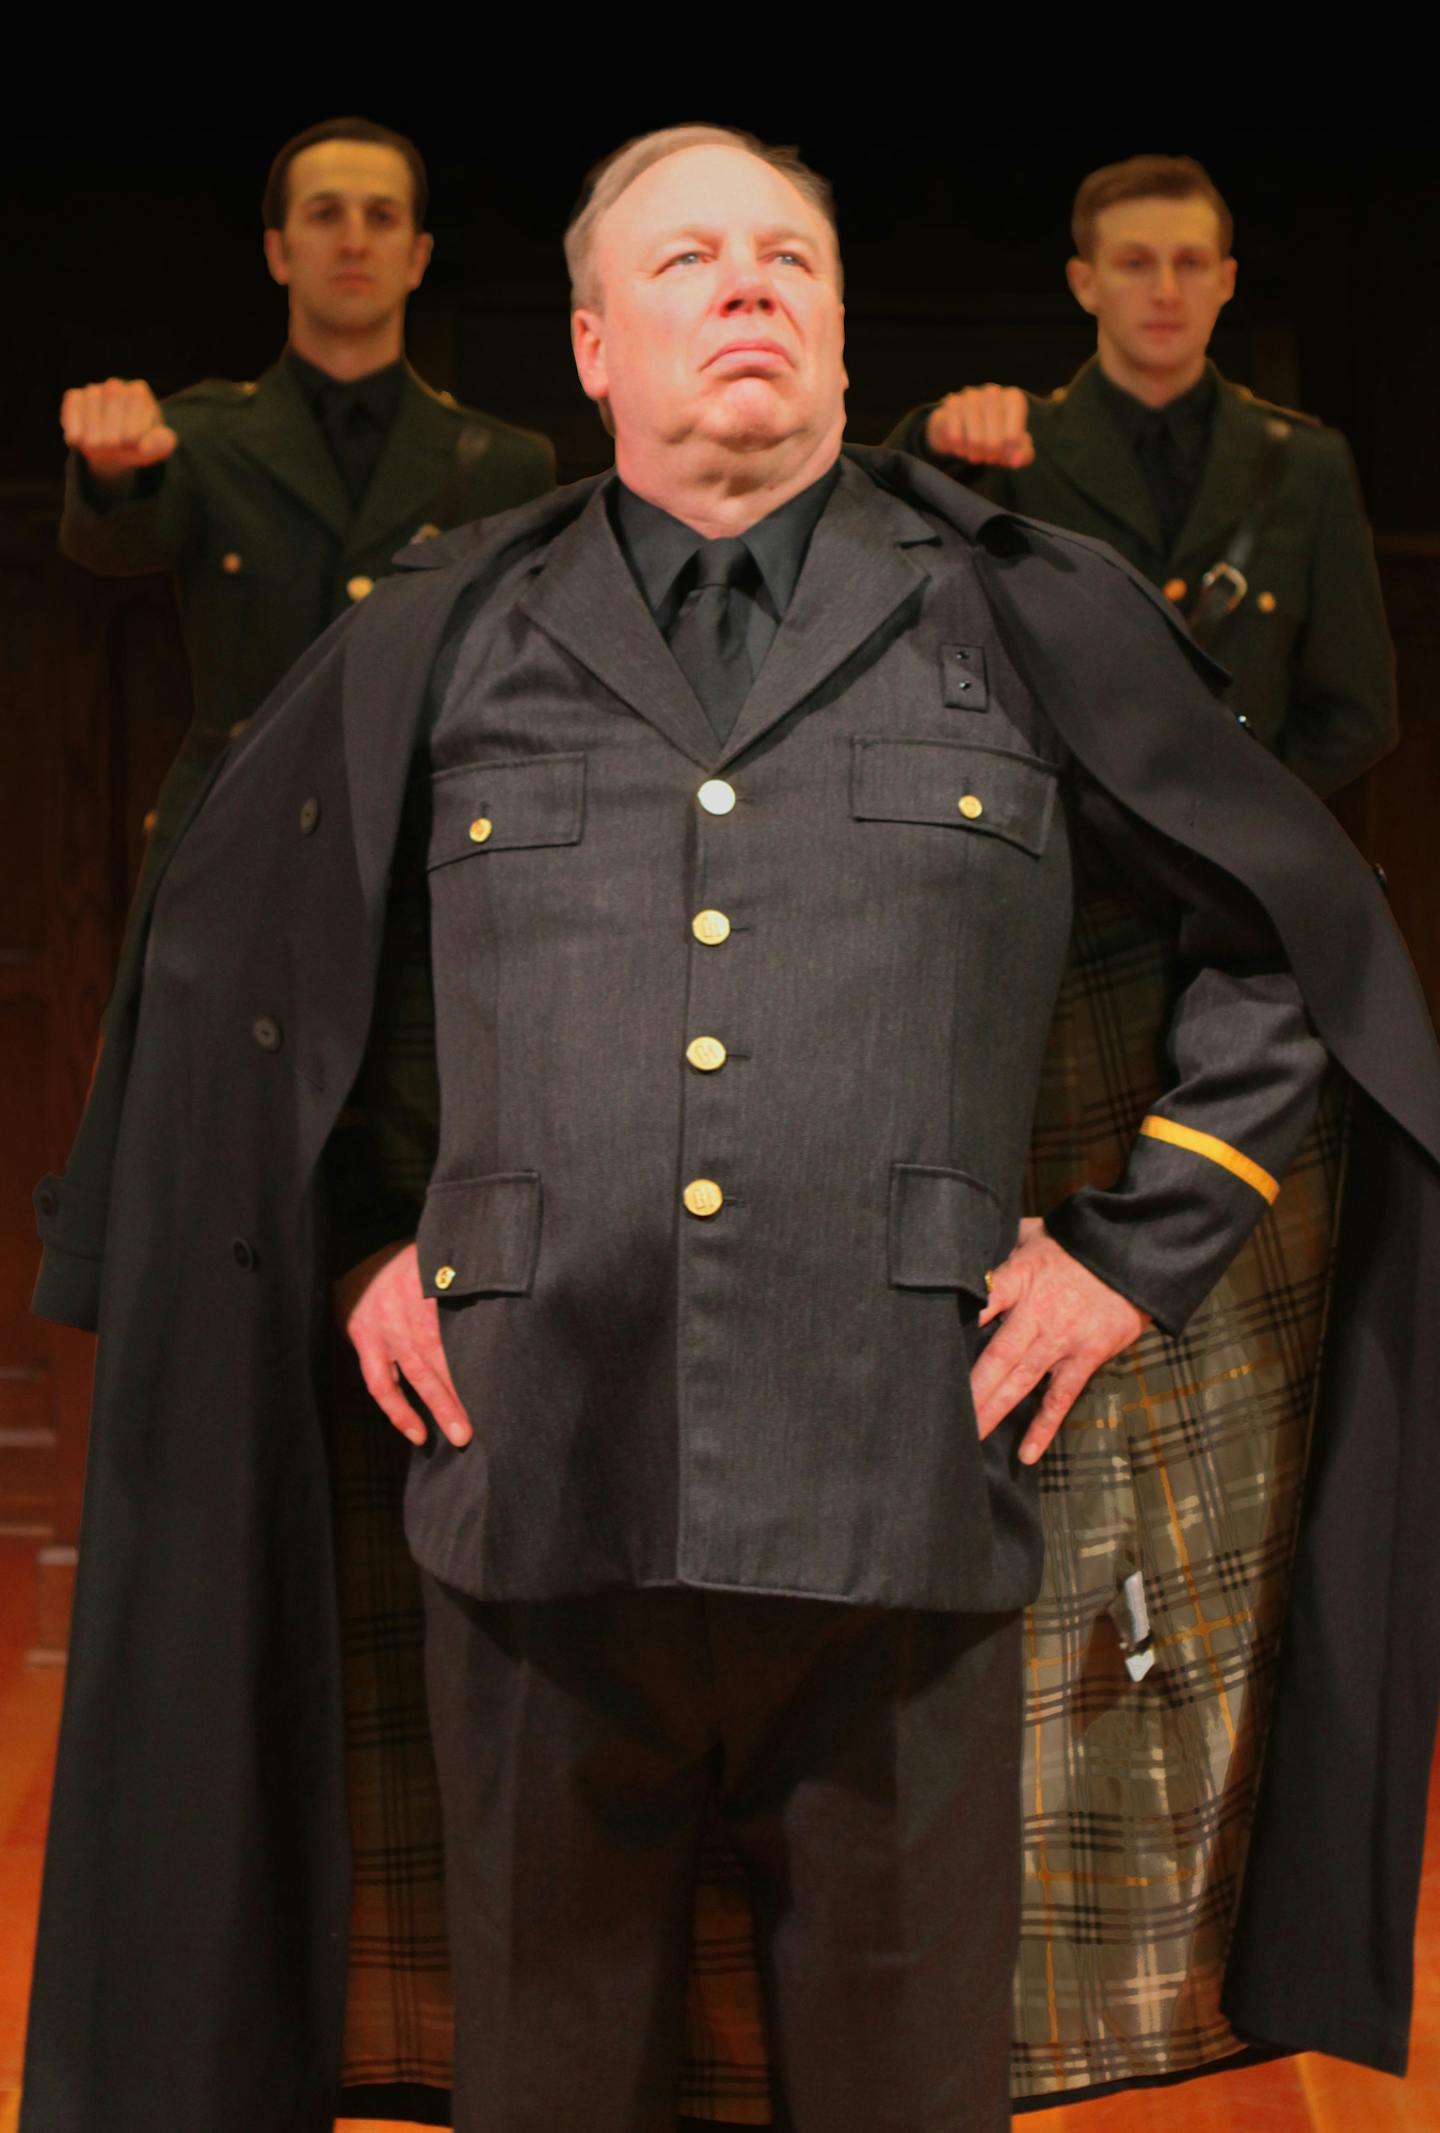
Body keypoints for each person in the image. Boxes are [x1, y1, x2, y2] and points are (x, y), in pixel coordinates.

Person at [23, 127, 1440, 2133]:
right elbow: (256, 993)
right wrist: (348, 1242)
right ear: (595, 347)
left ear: (845, 344)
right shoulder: (442, 633)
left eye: (791, 258)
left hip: (907, 1503)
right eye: (690, 261)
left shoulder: (1024, 618)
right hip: (530, 1499)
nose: (751, 284)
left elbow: (1296, 936)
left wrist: (1135, 1255)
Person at [57, 115, 554, 901]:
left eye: (381, 216)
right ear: (278, 251)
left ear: (418, 256)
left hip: (415, 854)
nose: (354, 240)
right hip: (236, 843)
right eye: (325, 214)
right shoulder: (194, 436)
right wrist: (111, 472)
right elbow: (113, 548)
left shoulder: (505, 464)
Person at [889, 152, 1395, 795]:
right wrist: (931, 436)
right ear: (1084, 282)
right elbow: (887, 560)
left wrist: (1251, 815)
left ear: (1226, 279)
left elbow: (1359, 713)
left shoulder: (1305, 464)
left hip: (1236, 876)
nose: (1165, 291)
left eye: (1190, 263)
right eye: (1135, 263)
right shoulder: (1009, 447)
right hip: (1058, 866)